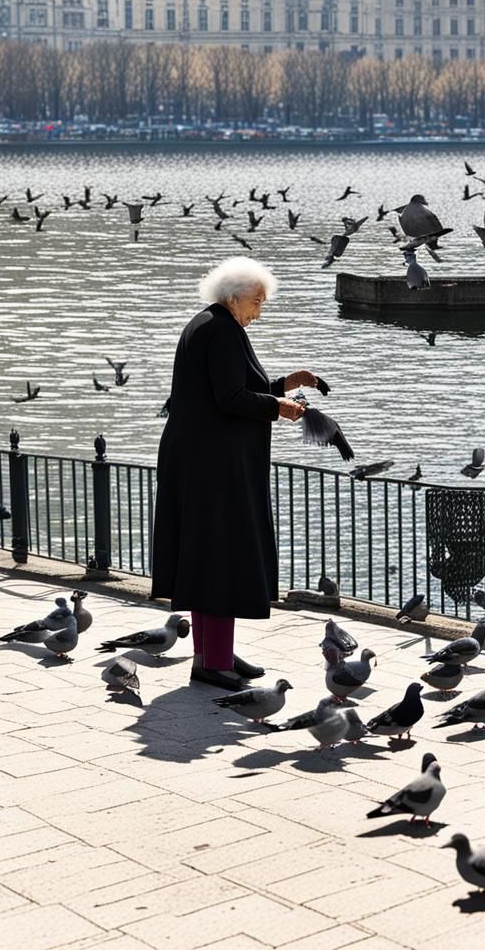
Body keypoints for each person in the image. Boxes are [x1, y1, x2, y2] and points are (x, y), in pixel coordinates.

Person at [150, 256, 320, 691]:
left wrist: (284, 383)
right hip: (213, 466)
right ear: (234, 297)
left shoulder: (208, 325)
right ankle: (214, 660)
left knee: (204, 557)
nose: (259, 311)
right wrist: (277, 408)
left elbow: (231, 387)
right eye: (257, 302)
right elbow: (230, 397)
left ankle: (211, 657)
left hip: (200, 459)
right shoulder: (222, 330)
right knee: (221, 557)